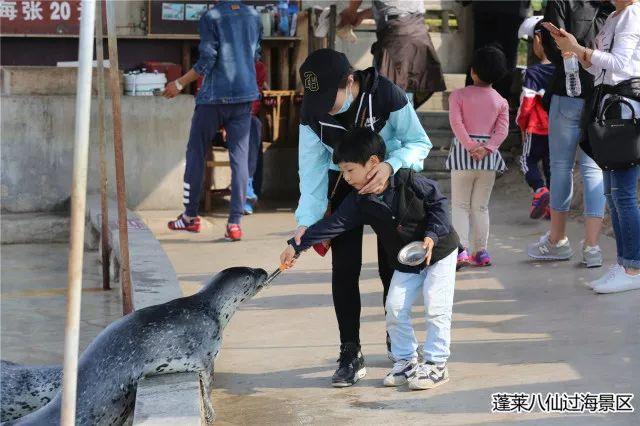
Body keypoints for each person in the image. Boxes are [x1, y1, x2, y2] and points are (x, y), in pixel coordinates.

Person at [281, 128, 459, 390]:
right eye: (342, 171)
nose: (346, 177)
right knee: (394, 307)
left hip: (439, 252)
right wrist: (296, 246)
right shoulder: (359, 201)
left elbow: (439, 203)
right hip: (406, 260)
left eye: (350, 170)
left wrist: (432, 235)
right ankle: (406, 361)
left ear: (373, 163)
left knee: (436, 307)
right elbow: (334, 225)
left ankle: (436, 364)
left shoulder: (407, 178)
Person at [293, 48, 431, 387]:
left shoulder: (385, 95)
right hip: (344, 184)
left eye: (331, 97)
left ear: (350, 81)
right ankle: (350, 351)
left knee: (391, 267)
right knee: (344, 269)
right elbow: (311, 172)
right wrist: (306, 224)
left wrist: (390, 166)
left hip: (389, 183)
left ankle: (397, 339)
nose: (325, 107)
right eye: (318, 100)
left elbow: (418, 142)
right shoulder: (312, 112)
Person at [549, 0, 640, 293]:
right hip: (610, 107)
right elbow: (598, 69)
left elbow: (620, 64)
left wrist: (579, 49)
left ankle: (633, 266)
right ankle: (625, 263)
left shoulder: (632, 14)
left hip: (624, 110)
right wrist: (574, 51)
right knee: (613, 193)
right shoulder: (615, 15)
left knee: (623, 194)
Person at [163, 1, 261, 241]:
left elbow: (207, 60)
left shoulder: (211, 17)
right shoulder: (254, 16)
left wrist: (179, 83)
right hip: (245, 96)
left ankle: (190, 217)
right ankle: (234, 224)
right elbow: (255, 55)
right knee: (239, 159)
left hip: (214, 97)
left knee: (196, 151)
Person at [527, 0, 614, 267]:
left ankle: (557, 240)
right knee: (594, 169)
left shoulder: (562, 1)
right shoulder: (614, 4)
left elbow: (552, 46)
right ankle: (592, 247)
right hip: (600, 94)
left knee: (561, 167)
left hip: (567, 91)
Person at [446, 46, 509, 270]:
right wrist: (487, 148)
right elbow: (502, 131)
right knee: (480, 207)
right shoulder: (501, 101)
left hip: (462, 156)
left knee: (460, 205)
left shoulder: (457, 96)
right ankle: (481, 252)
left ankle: (461, 251)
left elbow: (456, 123)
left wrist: (471, 146)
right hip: (488, 161)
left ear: (472, 71)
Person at [338, 0, 446, 106]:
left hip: (398, 35)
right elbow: (397, 6)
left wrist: (350, 13)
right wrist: (362, 14)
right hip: (418, 30)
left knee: (388, 95)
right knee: (407, 91)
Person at [516, 16, 555, 220]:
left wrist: (521, 124)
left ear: (538, 40)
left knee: (526, 160)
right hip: (558, 127)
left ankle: (539, 190)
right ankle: (553, 206)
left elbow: (527, 103)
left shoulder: (533, 72)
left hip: (536, 126)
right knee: (551, 166)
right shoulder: (563, 70)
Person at [463, 0, 531, 100]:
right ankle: (500, 99)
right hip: (513, 8)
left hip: (485, 7)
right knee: (507, 57)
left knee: (481, 54)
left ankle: (472, 97)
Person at [244, 59, 268, 215]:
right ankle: (247, 189)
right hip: (219, 120)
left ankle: (248, 187)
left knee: (254, 125)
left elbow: (255, 98)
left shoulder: (257, 67)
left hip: (243, 119)